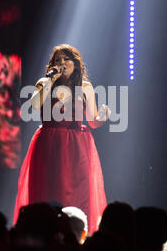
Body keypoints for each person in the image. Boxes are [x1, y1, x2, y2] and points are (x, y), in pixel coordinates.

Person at [13, 44, 110, 235]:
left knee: (78, 193)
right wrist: (50, 81)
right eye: (58, 60)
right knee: (48, 191)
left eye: (66, 59)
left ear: (75, 63)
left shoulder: (85, 86)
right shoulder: (45, 82)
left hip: (77, 147)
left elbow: (92, 121)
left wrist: (102, 118)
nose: (62, 63)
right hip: (49, 145)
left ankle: (79, 236)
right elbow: (33, 105)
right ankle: (45, 235)